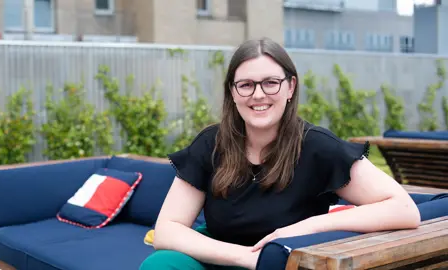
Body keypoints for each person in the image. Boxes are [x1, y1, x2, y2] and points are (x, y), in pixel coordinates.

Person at [139, 38, 421, 270]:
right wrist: (245, 258)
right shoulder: (212, 143)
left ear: (290, 87)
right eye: (246, 85)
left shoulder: (317, 146)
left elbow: (405, 210)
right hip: (220, 255)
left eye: (271, 82)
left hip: (285, 262)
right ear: (233, 93)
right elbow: (167, 229)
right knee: (160, 265)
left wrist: (312, 225)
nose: (258, 95)